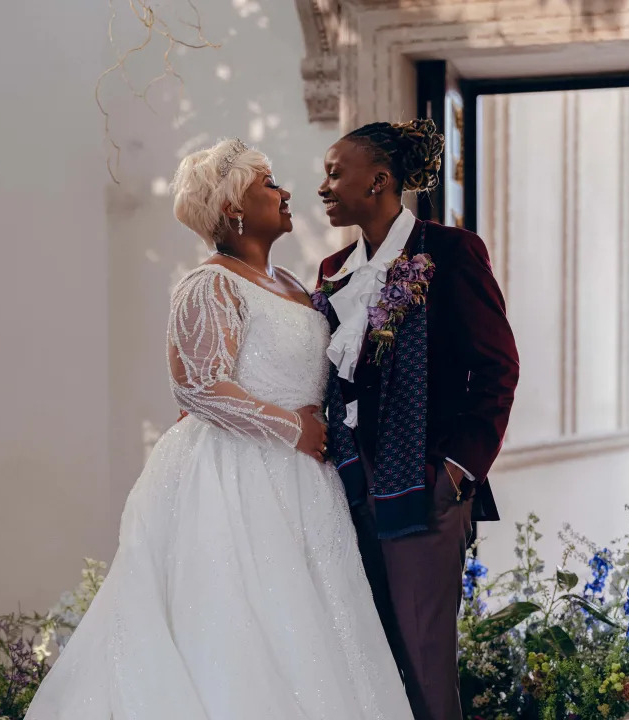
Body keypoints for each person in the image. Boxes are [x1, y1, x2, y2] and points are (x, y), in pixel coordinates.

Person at [25, 138, 414, 720]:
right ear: (234, 208)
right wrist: (291, 428)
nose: (286, 193)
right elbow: (199, 387)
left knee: (314, 626)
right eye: (268, 184)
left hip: (307, 486)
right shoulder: (209, 284)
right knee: (243, 624)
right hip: (236, 477)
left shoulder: (292, 284)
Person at [315, 119, 520, 720]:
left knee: (427, 664)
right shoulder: (333, 269)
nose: (323, 187)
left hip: (424, 487)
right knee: (368, 662)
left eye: (334, 172)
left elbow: (497, 368)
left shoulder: (451, 251)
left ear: (379, 180)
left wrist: (456, 470)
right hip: (348, 488)